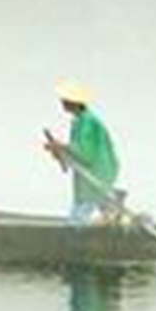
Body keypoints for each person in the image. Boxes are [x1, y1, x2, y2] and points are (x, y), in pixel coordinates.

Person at [42, 79, 119, 224]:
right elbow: (78, 153)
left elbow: (86, 154)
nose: (62, 102)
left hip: (97, 175)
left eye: (65, 99)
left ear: (74, 102)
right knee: (101, 208)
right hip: (91, 177)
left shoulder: (88, 122)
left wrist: (62, 146)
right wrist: (59, 152)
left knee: (80, 214)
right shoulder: (80, 121)